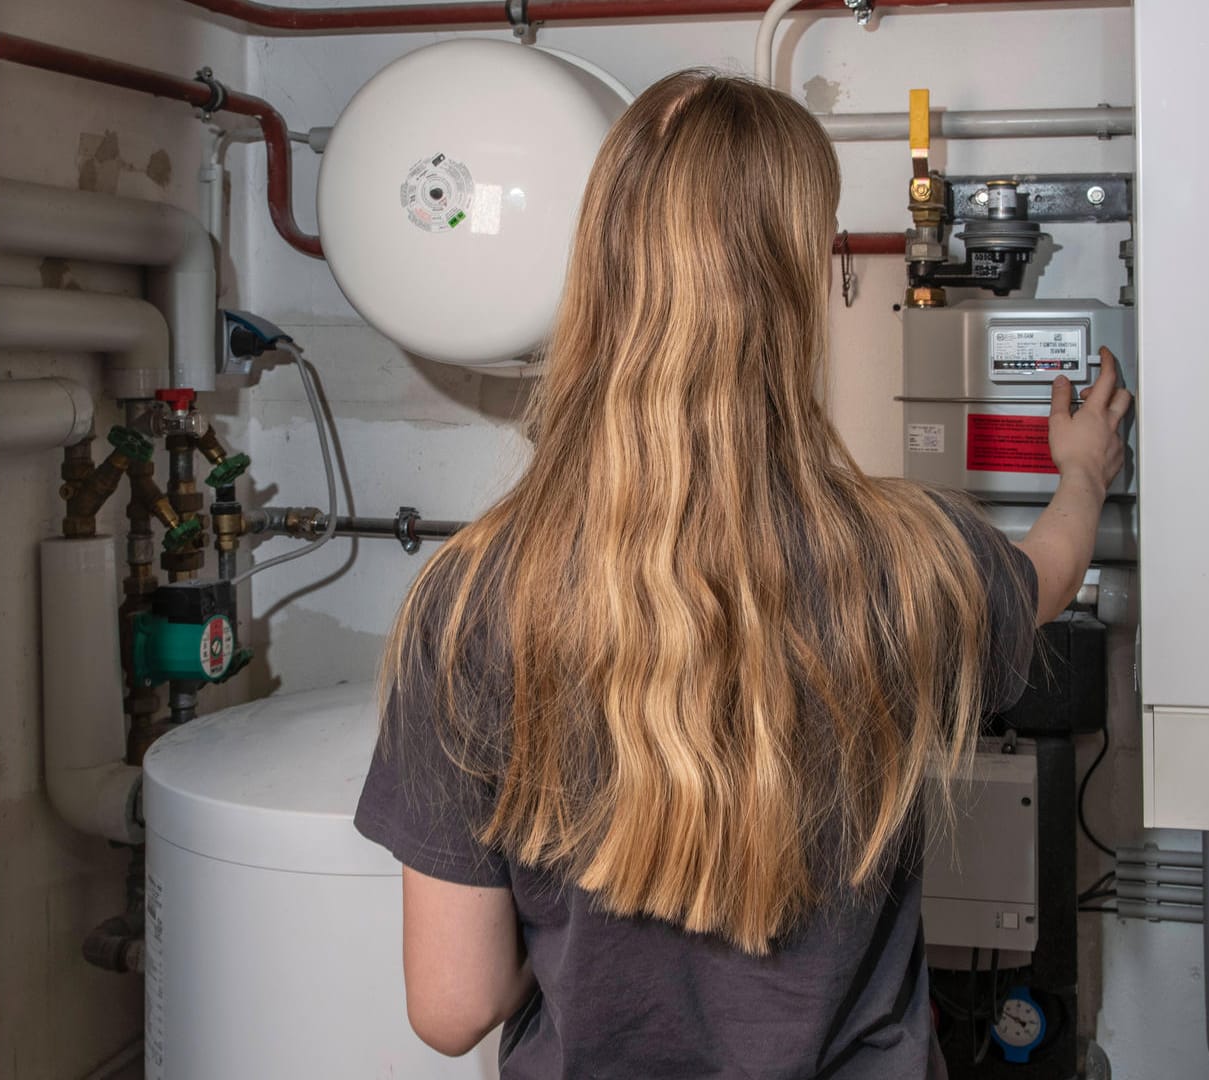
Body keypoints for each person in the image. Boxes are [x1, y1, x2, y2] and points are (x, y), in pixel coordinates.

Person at [354, 69, 1132, 1080]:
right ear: (792, 286)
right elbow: (1050, 574)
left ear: (601, 267)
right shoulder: (914, 562)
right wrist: (1083, 473)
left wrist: (565, 931)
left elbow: (453, 1007)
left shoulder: (471, 604)